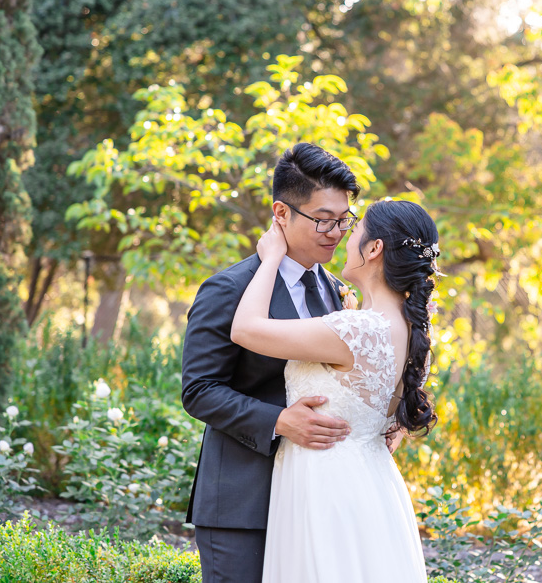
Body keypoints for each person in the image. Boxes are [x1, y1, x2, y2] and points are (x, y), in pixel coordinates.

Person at [182, 143, 365, 583]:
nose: (336, 232)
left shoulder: (338, 291)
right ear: (281, 213)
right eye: (322, 219)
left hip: (315, 499)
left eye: (344, 220)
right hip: (243, 504)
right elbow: (199, 390)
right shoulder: (227, 288)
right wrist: (280, 421)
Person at [230, 198, 439, 583]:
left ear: (374, 248)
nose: (344, 235)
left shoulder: (356, 330)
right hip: (374, 484)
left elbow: (244, 329)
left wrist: (271, 257)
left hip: (326, 488)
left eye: (355, 229)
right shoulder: (413, 335)